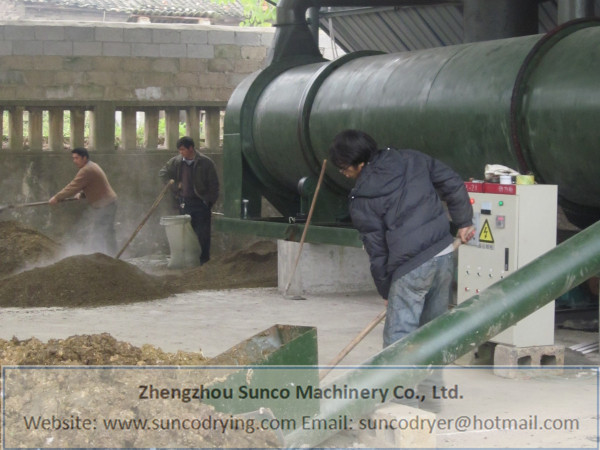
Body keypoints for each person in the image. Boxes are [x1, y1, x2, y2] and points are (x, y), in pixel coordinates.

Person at [329, 129, 474, 348]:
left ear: (359, 164)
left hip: (410, 268)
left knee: (398, 341)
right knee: (432, 334)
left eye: (344, 168)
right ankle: (428, 383)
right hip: (443, 255)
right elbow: (452, 181)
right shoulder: (411, 158)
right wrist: (464, 222)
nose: (343, 173)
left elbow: (376, 250)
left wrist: (386, 290)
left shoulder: (362, 197)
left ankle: (397, 383)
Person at [159, 136, 219, 265]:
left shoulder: (205, 163)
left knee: (203, 234)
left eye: (183, 149)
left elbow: (214, 185)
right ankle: (189, 261)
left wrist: (208, 202)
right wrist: (174, 186)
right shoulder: (176, 162)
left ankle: (204, 261)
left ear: (191, 148)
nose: (181, 152)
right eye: (179, 150)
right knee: (186, 234)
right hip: (184, 202)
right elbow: (163, 173)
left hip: (201, 203)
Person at [50, 147, 118, 256]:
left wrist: (57, 197)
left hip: (106, 205)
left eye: (76, 158)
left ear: (84, 158)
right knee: (107, 232)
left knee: (99, 232)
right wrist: (82, 194)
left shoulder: (86, 170)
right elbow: (95, 185)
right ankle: (113, 256)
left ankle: (101, 257)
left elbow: (73, 186)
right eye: (73, 158)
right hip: (109, 202)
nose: (74, 161)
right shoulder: (92, 165)